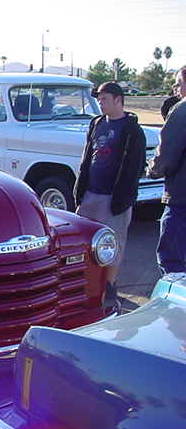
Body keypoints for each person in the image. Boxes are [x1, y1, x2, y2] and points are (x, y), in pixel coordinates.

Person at [73, 82, 146, 308]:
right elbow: (87, 157)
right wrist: (80, 189)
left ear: (118, 100)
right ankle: (83, 284)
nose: (100, 103)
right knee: (83, 241)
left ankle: (109, 287)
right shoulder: (96, 124)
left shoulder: (132, 130)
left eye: (104, 99)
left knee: (113, 244)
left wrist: (124, 198)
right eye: (99, 99)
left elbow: (135, 167)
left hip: (114, 198)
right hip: (90, 194)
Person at [148, 66, 186, 274]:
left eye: (179, 84)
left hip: (181, 200)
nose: (176, 89)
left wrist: (152, 168)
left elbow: (167, 158)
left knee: (173, 264)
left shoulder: (182, 110)